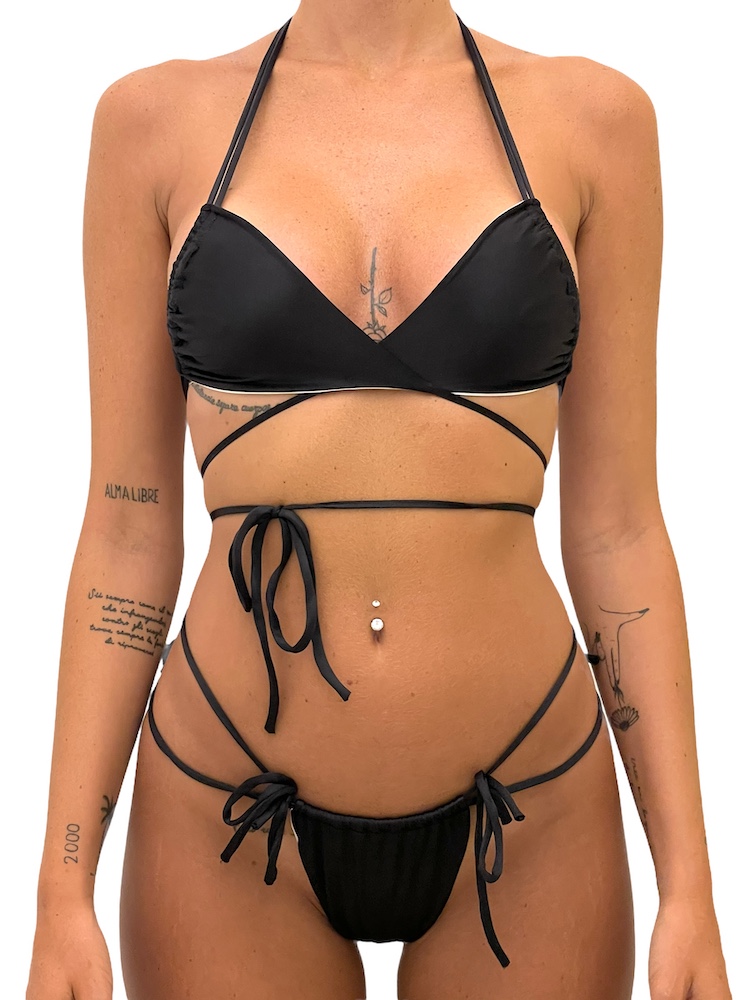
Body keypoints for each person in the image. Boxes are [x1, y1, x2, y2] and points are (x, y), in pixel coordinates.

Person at [26, 2, 733, 998]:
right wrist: (61, 888)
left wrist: (691, 885)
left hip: (531, 800)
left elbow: (618, 530)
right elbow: (127, 532)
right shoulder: (151, 124)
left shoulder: (597, 122)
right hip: (223, 804)